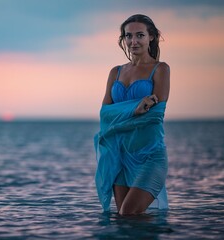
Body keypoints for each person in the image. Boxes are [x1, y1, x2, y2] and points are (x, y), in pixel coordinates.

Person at [94, 14, 170, 216]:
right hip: (120, 156)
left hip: (150, 155)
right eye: (128, 36)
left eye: (139, 35)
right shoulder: (115, 72)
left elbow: (155, 116)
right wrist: (134, 109)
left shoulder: (160, 69)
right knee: (125, 225)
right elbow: (104, 114)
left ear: (151, 37)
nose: (133, 41)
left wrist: (118, 121)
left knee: (128, 213)